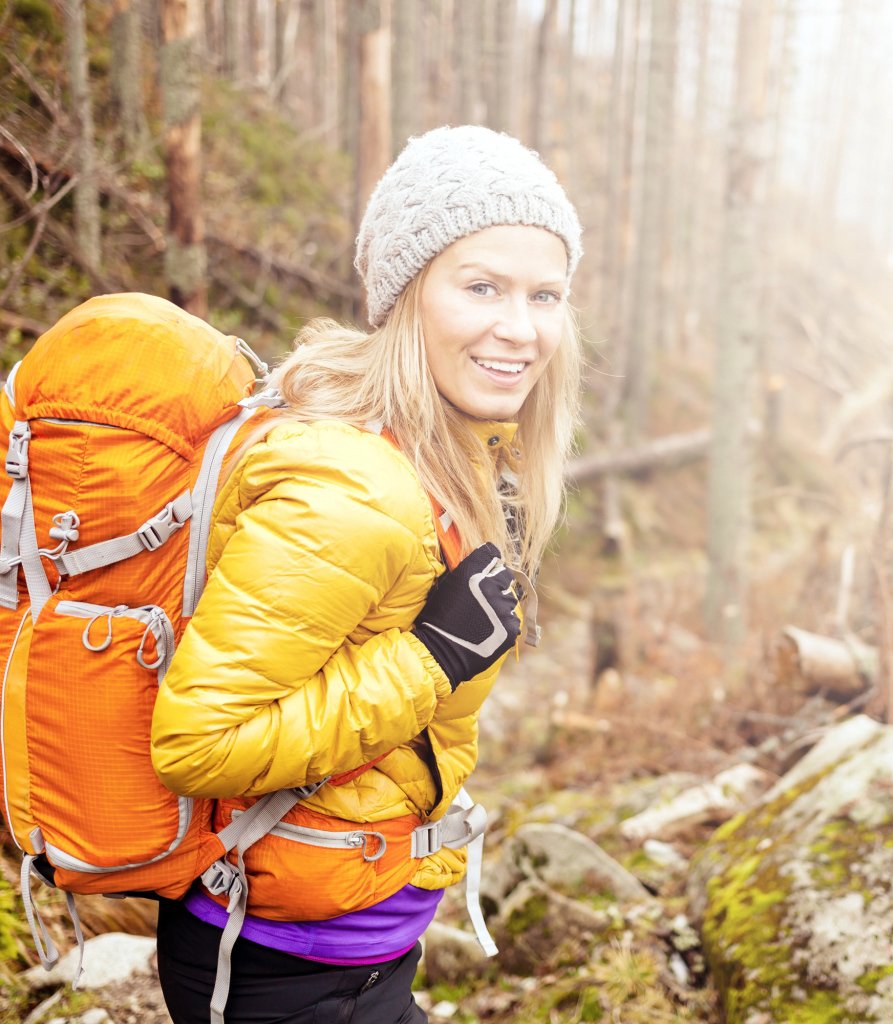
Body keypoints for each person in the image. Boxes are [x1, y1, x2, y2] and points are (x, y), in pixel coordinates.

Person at [148, 126, 583, 1024]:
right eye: (481, 287)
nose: (522, 328)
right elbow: (196, 744)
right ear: (404, 296)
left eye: (546, 294)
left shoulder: (445, 461)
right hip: (280, 969)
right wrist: (430, 660)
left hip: (356, 943)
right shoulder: (355, 487)